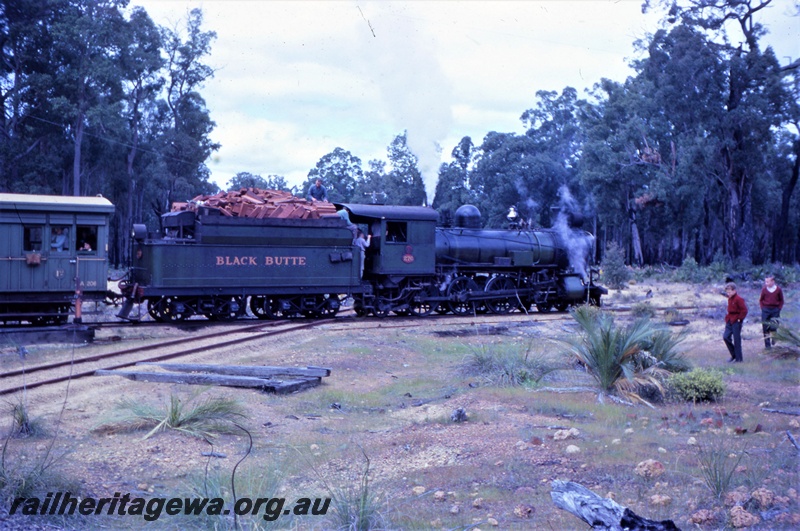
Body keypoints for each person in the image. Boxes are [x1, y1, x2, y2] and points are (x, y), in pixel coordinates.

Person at [723, 282, 748, 363]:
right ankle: (734, 355)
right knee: (726, 337)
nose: (728, 293)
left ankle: (739, 359)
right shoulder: (729, 299)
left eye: (729, 292)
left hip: (736, 320)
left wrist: (739, 319)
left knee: (737, 340)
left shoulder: (739, 299)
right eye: (727, 292)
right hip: (729, 320)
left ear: (734, 291)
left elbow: (744, 310)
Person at [759, 274, 784, 349]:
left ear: (773, 281)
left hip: (775, 309)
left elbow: (781, 300)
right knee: (765, 327)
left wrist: (779, 308)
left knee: (774, 326)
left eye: (768, 282)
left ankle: (774, 339)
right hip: (766, 309)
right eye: (765, 282)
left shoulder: (778, 289)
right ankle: (767, 345)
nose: (766, 283)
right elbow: (761, 299)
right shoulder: (764, 289)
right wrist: (762, 308)